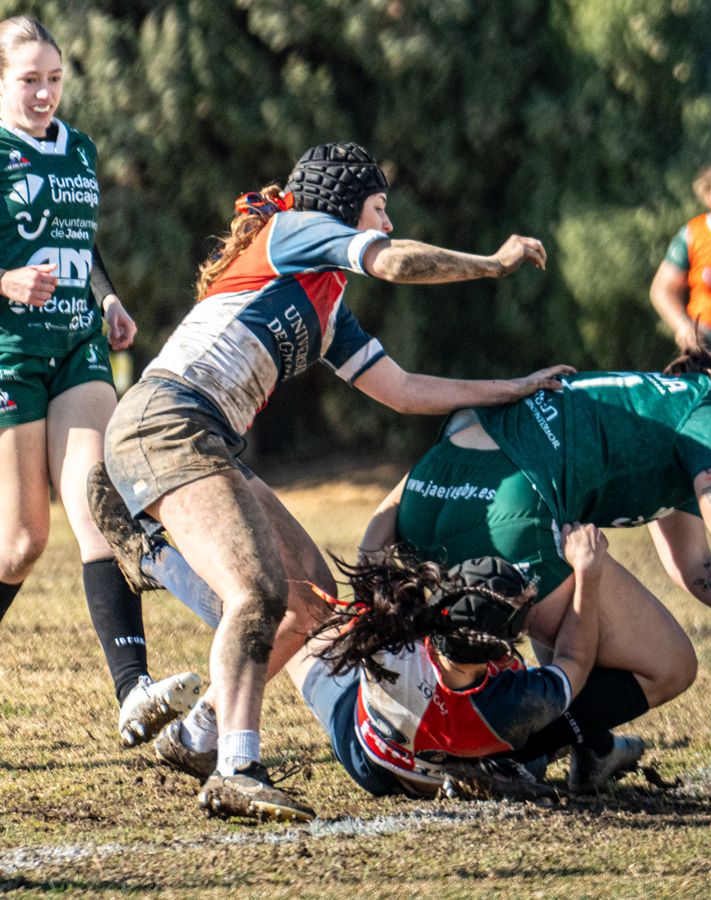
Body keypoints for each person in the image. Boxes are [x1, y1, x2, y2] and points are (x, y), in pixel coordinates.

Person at [98, 142, 570, 822]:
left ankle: (198, 735)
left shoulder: (327, 309)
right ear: (345, 208)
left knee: (311, 598)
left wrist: (512, 388)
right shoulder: (293, 230)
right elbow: (394, 260)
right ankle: (237, 768)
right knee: (257, 592)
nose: (387, 222)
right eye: (379, 208)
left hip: (204, 437)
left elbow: (402, 390)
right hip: (167, 421)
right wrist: (492, 264)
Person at [354, 346, 711, 791]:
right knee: (670, 665)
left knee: (582, 627)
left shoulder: (670, 415)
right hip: (505, 507)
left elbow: (696, 568)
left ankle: (591, 747)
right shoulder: (709, 412)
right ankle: (494, 751)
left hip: (431, 489)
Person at [0, 16, 200, 747]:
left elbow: (82, 247)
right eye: (29, 79)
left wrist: (108, 299)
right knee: (21, 543)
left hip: (77, 348)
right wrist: (5, 280)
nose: (45, 93)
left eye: (54, 78)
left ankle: (134, 691)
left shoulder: (79, 148)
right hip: (10, 355)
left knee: (99, 505)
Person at [276, 539, 606, 803]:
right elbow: (574, 660)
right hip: (470, 747)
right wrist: (587, 574)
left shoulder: (390, 639)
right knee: (558, 724)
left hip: (370, 759)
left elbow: (370, 553)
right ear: (502, 648)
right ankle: (502, 767)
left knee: (301, 627)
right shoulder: (517, 699)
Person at [649, 162, 711, 352]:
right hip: (708, 338)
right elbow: (662, 289)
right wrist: (683, 326)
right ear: (709, 197)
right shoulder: (694, 234)